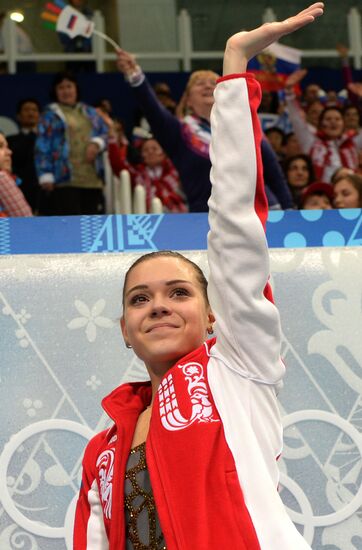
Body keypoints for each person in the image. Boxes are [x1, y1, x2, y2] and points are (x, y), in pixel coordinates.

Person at [74, 4, 324, 549]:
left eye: (179, 291)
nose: (158, 305)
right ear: (123, 326)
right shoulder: (103, 445)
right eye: (140, 298)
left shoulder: (239, 368)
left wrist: (234, 69)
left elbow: (235, 229)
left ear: (213, 315)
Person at [116, 45, 293, 211]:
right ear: (188, 100)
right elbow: (152, 109)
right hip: (209, 221)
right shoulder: (180, 133)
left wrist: (289, 211)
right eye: (199, 83)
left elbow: (272, 172)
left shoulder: (245, 127)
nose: (208, 85)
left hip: (262, 213)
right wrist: (135, 75)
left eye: (213, 82)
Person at [35, 71, 108, 216]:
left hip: (92, 179)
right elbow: (42, 146)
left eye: (69, 86)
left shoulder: (91, 112)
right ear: (55, 92)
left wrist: (97, 143)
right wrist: (45, 174)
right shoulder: (50, 115)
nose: (66, 91)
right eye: (61, 88)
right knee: (71, 226)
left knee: (92, 226)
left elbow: (106, 134)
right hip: (64, 180)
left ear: (76, 89)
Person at [284, 70, 362, 182]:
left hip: (349, 194)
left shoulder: (353, 142)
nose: (333, 122)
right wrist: (289, 92)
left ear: (344, 124)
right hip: (321, 194)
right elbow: (296, 120)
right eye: (328, 119)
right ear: (320, 124)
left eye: (337, 119)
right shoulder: (311, 141)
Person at [7, 98, 41, 213]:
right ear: (18, 116)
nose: (31, 113)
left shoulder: (49, 142)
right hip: (20, 190)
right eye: (26, 110)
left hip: (47, 192)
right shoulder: (9, 142)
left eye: (34, 110)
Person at [0, 131, 32, 217]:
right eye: (0, 146)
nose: (9, 152)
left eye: (7, 147)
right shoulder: (1, 178)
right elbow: (25, 221)